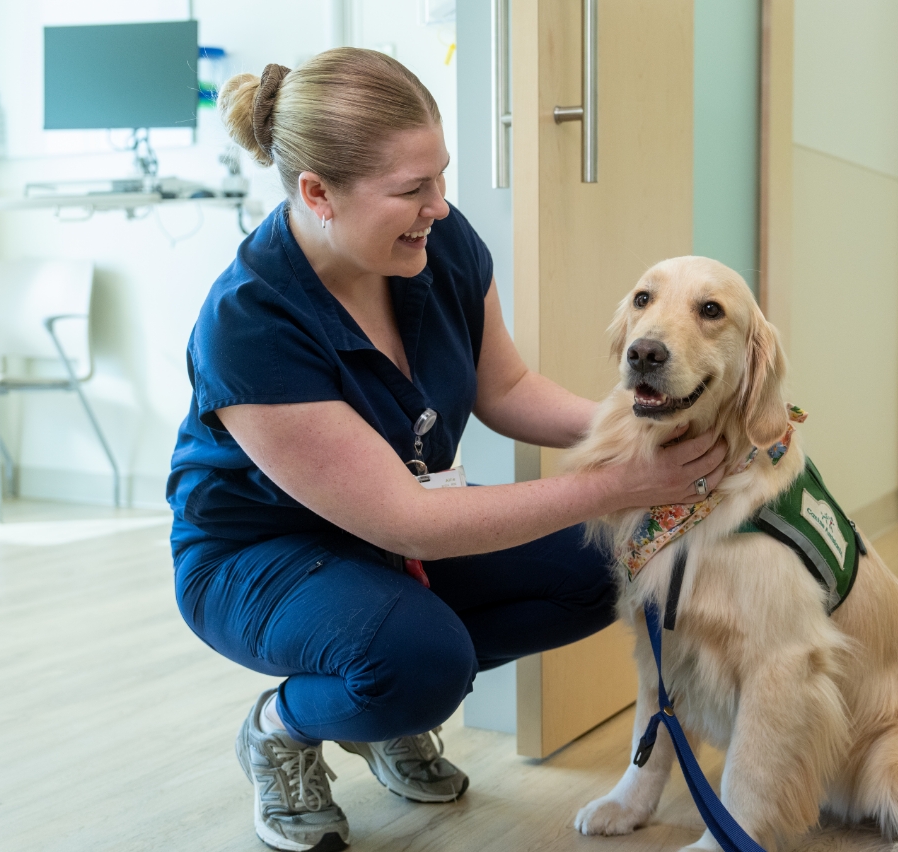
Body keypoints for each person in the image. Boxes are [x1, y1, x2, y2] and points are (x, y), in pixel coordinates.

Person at [168, 48, 730, 852]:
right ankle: (286, 727)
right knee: (417, 665)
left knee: (606, 564)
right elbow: (410, 524)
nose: (440, 206)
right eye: (411, 190)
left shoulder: (438, 245)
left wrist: (652, 424)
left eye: (441, 178)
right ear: (317, 193)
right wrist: (626, 479)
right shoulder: (249, 322)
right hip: (263, 557)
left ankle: (386, 701)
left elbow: (506, 391)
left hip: (390, 534)